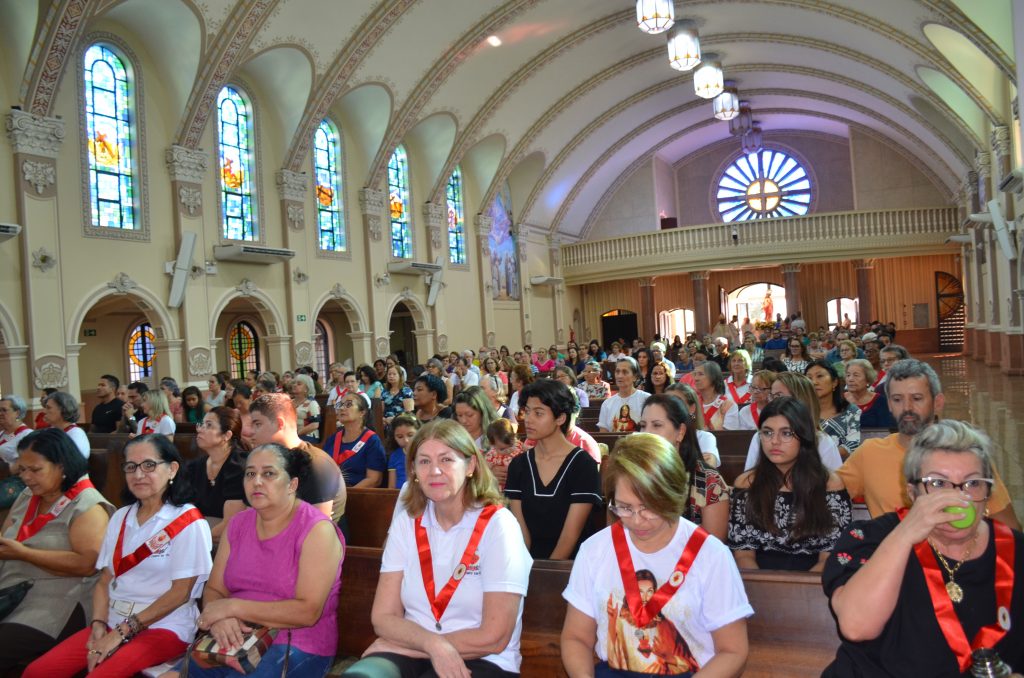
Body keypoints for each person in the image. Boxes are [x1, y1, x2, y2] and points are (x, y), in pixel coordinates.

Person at [823, 420, 1024, 676]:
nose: (957, 497)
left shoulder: (1016, 550)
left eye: (972, 483)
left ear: (987, 493)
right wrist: (906, 533)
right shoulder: (869, 538)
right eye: (938, 484)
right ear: (913, 492)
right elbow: (856, 626)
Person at [343, 420, 531, 678]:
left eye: (446, 460)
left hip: (484, 658)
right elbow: (383, 617)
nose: (434, 471)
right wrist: (432, 645)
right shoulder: (407, 523)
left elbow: (494, 637)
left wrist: (423, 648)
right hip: (412, 644)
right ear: (414, 472)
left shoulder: (499, 526)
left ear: (470, 466)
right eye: (424, 461)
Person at [561, 433, 752, 677]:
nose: (638, 520)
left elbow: (733, 651)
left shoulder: (711, 555)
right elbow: (576, 637)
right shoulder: (595, 550)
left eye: (649, 507)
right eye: (625, 507)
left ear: (672, 496)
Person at [24, 435, 212, 677]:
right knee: (37, 671)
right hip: (113, 619)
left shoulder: (188, 521)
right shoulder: (121, 516)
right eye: (131, 467)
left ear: (172, 469)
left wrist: (121, 632)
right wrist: (99, 625)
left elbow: (180, 593)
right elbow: (104, 581)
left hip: (164, 625)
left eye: (149, 465)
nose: (138, 474)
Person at [181, 443, 345, 677]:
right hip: (232, 635)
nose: (257, 481)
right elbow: (215, 589)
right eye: (250, 474)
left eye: (269, 473)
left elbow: (307, 612)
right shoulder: (238, 524)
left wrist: (232, 607)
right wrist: (220, 620)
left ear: (292, 484)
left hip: (296, 642)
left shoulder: (316, 530)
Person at [837, 359, 1020, 530]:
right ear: (889, 405)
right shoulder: (870, 453)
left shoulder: (966, 454)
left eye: (917, 398)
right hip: (895, 559)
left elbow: (1009, 530)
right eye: (897, 399)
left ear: (937, 402)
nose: (907, 408)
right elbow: (826, 490)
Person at [0, 429, 113, 670]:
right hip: (10, 590)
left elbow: (87, 564)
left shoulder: (87, 505)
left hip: (56, 602)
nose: (27, 477)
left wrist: (23, 553)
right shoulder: (26, 496)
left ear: (61, 466)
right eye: (22, 470)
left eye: (35, 470)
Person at [729, 397, 852, 571]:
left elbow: (829, 557)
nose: (775, 441)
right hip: (759, 580)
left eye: (786, 433)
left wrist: (795, 592)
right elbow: (743, 554)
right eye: (767, 432)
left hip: (814, 583)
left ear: (804, 437)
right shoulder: (747, 483)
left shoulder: (829, 485)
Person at [506, 379, 602, 559]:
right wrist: (528, 569)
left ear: (560, 418)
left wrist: (546, 574)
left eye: (538, 413)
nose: (528, 419)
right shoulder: (519, 465)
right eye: (527, 411)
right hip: (528, 563)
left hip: (573, 565)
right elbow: (521, 531)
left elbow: (570, 536)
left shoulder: (582, 464)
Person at [640, 395, 729, 541]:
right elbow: (616, 538)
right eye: (643, 425)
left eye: (656, 425)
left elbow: (713, 551)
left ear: (680, 432)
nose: (646, 433)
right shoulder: (631, 474)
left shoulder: (709, 482)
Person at [249, 393, 346, 521]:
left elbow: (316, 526)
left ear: (279, 424)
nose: (251, 432)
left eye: (257, 424)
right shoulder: (267, 462)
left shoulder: (317, 464)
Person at [742, 372, 843, 472]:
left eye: (778, 396)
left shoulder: (822, 441)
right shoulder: (760, 437)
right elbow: (750, 480)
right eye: (771, 396)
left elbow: (834, 484)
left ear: (801, 400)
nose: (773, 402)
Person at [183, 406, 247, 543]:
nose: (200, 429)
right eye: (201, 424)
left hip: (230, 541)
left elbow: (231, 525)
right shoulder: (195, 466)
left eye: (209, 425)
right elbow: (185, 511)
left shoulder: (238, 467)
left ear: (226, 435)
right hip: (200, 532)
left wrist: (195, 542)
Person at [323, 392, 386, 488]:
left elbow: (374, 480)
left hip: (357, 496)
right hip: (331, 494)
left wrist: (347, 495)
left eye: (348, 404)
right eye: (340, 404)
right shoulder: (333, 439)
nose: (341, 408)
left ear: (362, 412)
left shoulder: (372, 441)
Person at [806, 360, 861, 456]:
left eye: (820, 376)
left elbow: (852, 445)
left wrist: (820, 456)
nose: (814, 382)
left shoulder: (851, 411)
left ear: (834, 382)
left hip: (842, 468)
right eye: (809, 378)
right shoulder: (801, 412)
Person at [665, 383, 720, 468]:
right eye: (666, 402)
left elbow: (708, 468)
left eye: (677, 402)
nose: (670, 407)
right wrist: (694, 462)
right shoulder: (657, 435)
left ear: (692, 408)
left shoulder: (704, 437)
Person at [598, 357, 650, 433]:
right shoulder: (607, 404)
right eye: (617, 372)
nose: (620, 376)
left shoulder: (646, 399)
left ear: (635, 377)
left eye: (625, 372)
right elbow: (604, 433)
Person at [0, 395, 32, 508]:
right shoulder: (2, 434)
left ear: (17, 413)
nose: (0, 413)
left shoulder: (27, 435)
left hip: (14, 481)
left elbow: (21, 465)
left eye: (4, 410)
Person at [844, 359, 894, 429]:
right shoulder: (840, 399)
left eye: (856, 375)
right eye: (848, 375)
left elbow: (884, 432)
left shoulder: (881, 401)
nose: (850, 379)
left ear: (868, 379)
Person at [42, 392, 90, 458]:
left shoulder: (76, 434)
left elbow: (74, 461)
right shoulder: (50, 431)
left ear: (63, 409)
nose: (44, 411)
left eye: (48, 408)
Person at [453, 385, 498, 451]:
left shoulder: (498, 440)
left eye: (469, 415)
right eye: (459, 415)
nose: (463, 421)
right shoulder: (454, 440)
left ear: (483, 413)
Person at [484, 418, 523, 492]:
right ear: (492, 445)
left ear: (514, 437)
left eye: (511, 446)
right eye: (502, 449)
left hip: (518, 487)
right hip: (501, 490)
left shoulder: (519, 446)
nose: (507, 451)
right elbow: (485, 470)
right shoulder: (492, 455)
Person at [692, 361, 733, 431]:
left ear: (713, 377)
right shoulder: (692, 404)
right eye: (695, 374)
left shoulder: (728, 405)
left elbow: (731, 437)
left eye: (700, 374)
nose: (696, 378)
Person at [385, 413, 420, 489]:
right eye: (400, 437)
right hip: (400, 495)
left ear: (419, 433)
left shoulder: (426, 453)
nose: (406, 440)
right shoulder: (395, 456)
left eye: (410, 435)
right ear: (394, 438)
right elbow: (391, 487)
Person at [289, 373, 321, 445]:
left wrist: (297, 433)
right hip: (291, 435)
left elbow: (315, 425)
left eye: (299, 384)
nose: (294, 385)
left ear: (306, 389)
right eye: (294, 383)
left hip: (307, 436)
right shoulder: (289, 402)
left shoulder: (311, 403)